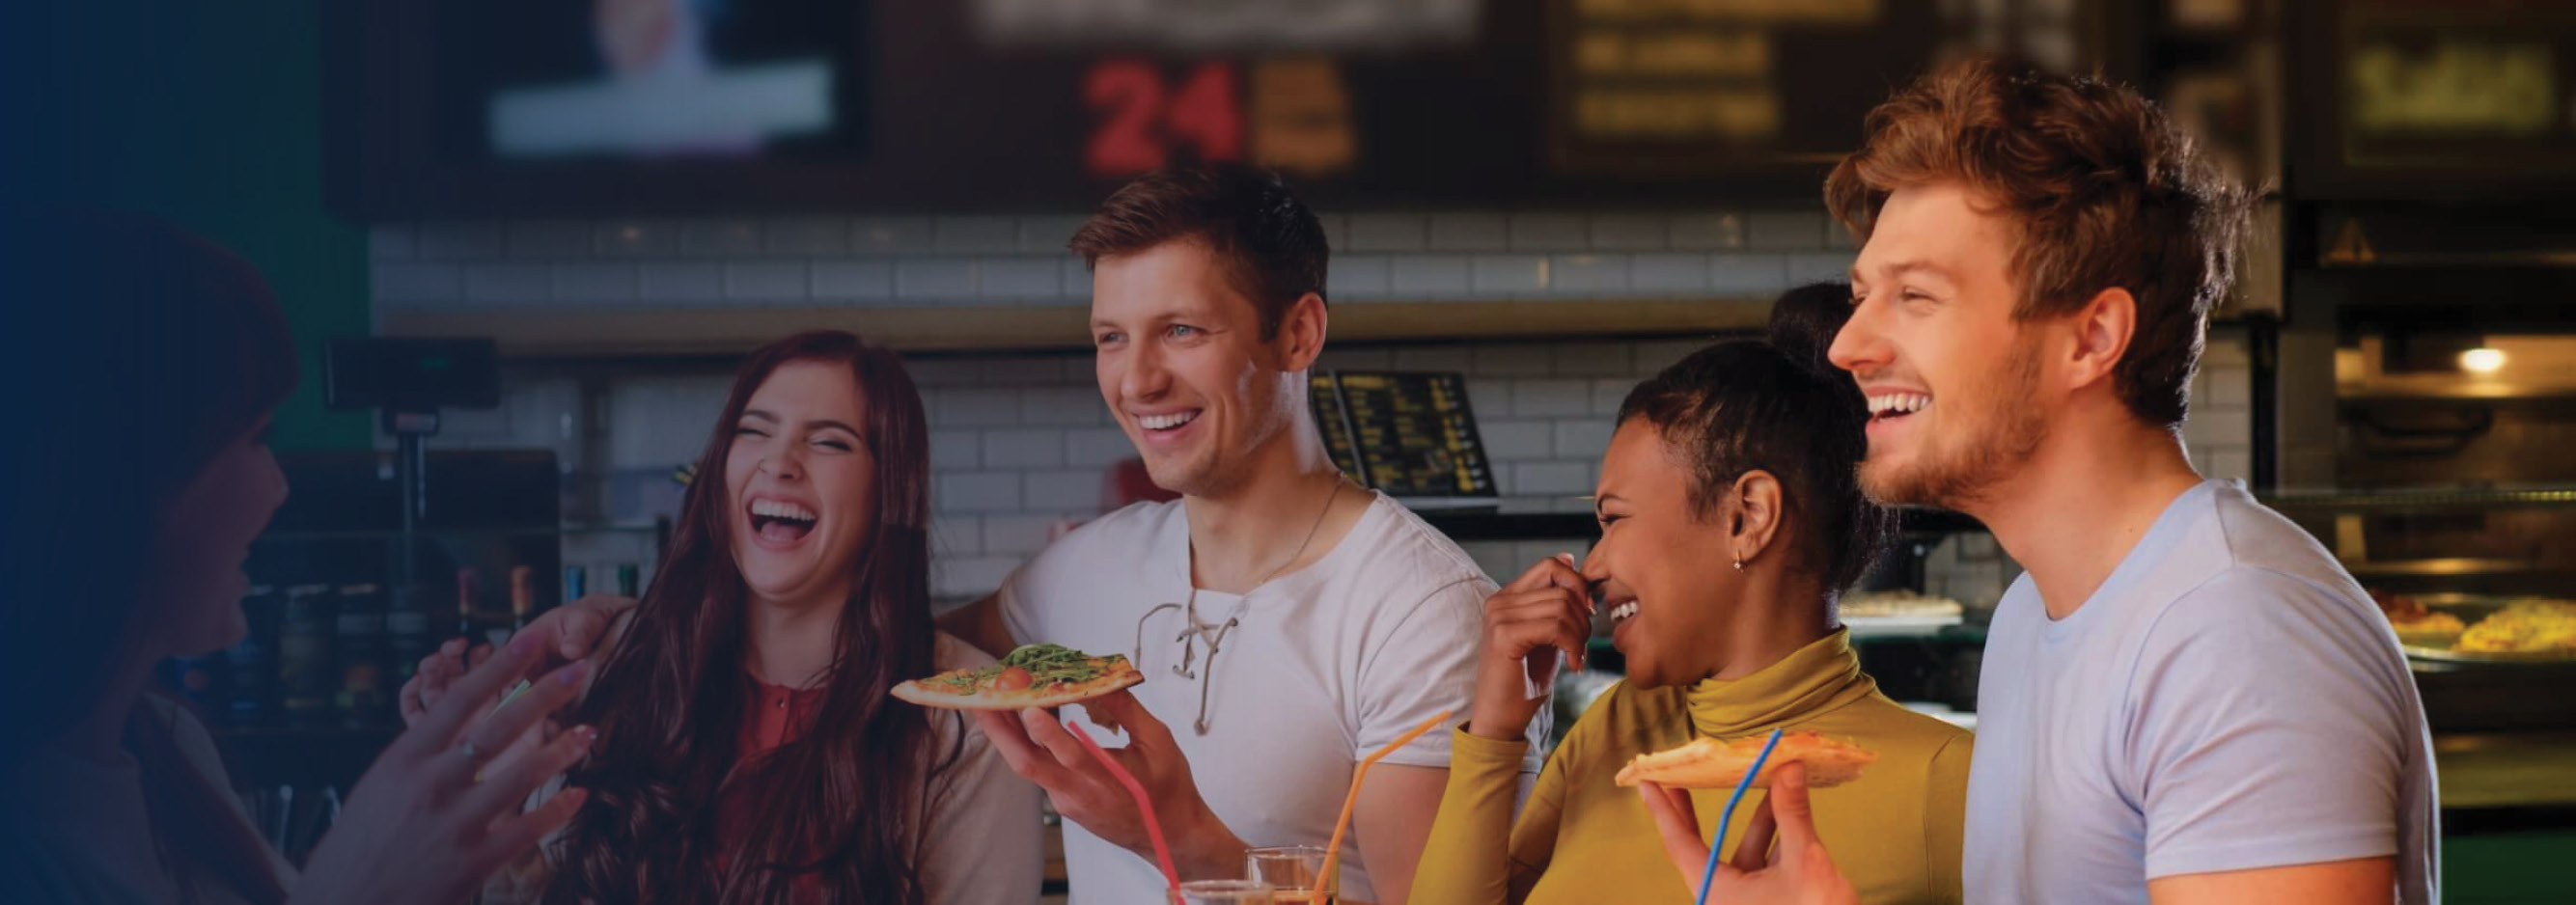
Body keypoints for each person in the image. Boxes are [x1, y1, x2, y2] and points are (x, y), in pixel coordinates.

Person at [1643, 56, 2437, 905]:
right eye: (1861, 294)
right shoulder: (2034, 612)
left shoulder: (2233, 634)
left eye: (1914, 296)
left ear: (2091, 338)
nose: (1845, 347)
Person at [937, 164, 1541, 905]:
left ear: (1297, 334)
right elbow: (897, 655)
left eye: (1181, 330)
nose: (1136, 381)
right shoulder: (1078, 575)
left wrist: (1179, 835)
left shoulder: (1418, 611)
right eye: (1111, 338)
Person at [0, 209, 596, 904]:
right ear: (113, 483)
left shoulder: (169, 745)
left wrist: (477, 863)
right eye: (257, 437)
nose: (279, 487)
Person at [404, 331, 1042, 905]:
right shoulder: (607, 665)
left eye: (828, 441)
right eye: (753, 431)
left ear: (889, 492)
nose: (779, 461)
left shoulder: (967, 727)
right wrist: (494, 794)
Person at [1409, 285, 1972, 905]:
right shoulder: (1618, 728)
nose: (1591, 567)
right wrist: (1494, 730)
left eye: (1614, 519)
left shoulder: (1948, 783)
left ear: (1747, 517)